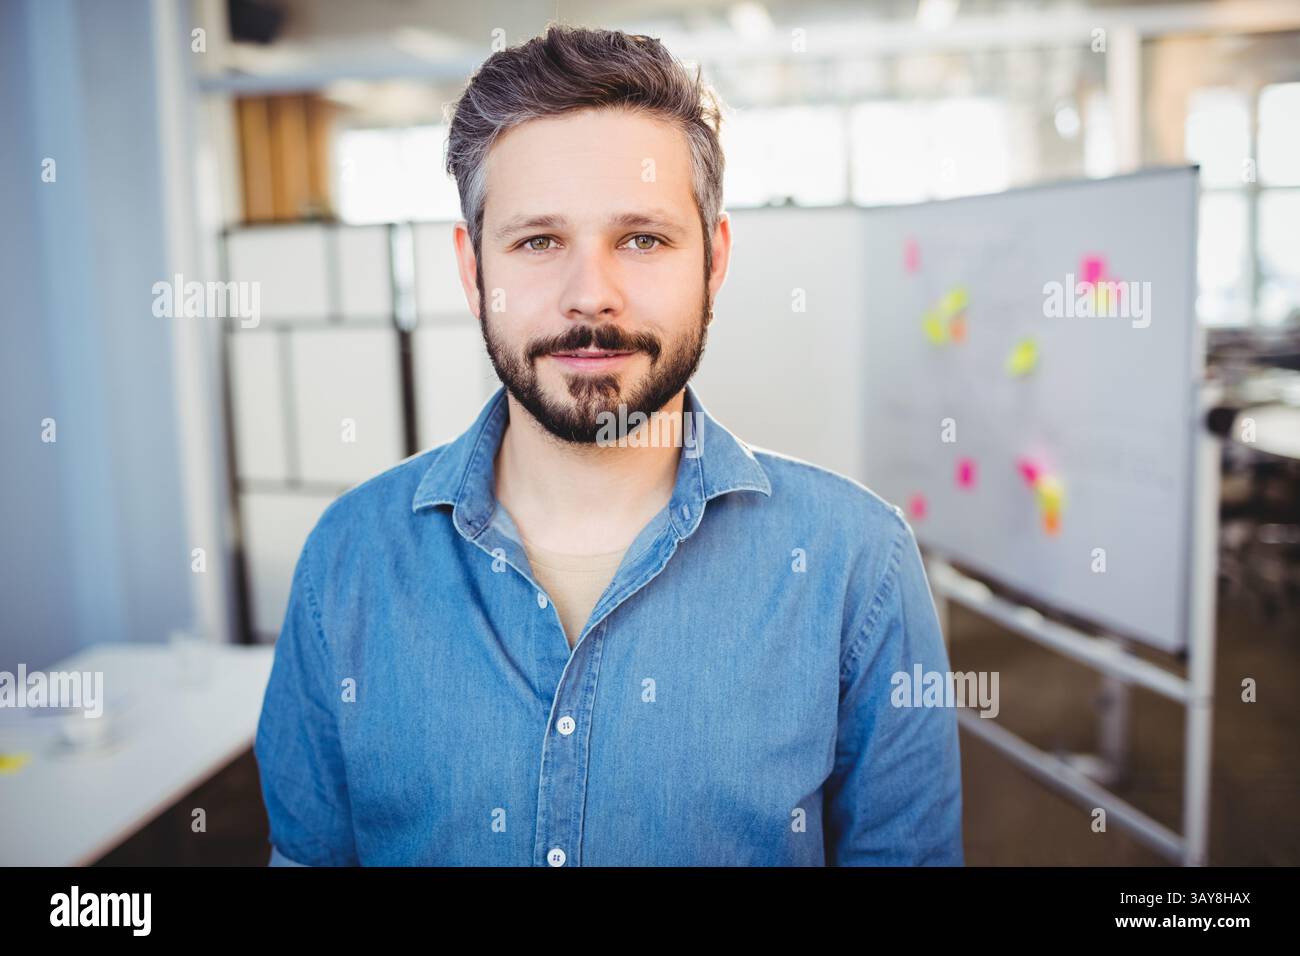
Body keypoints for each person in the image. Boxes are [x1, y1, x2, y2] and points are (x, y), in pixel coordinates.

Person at [255, 23, 962, 866]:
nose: (591, 297)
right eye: (539, 241)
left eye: (642, 239)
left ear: (715, 261)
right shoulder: (348, 558)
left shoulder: (857, 565)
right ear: (474, 271)